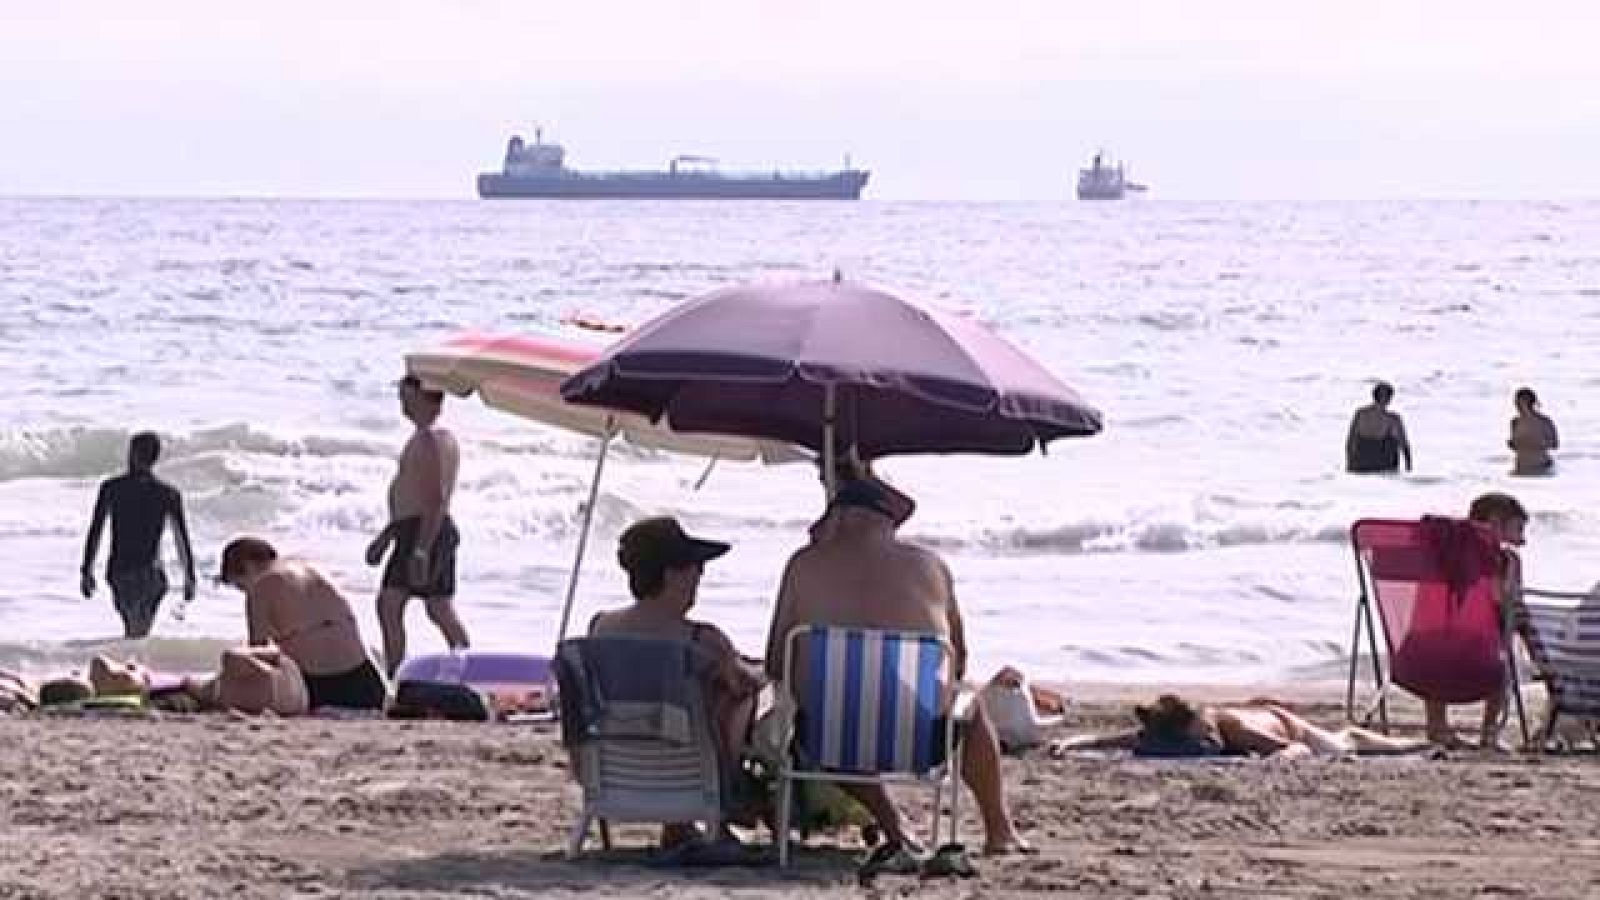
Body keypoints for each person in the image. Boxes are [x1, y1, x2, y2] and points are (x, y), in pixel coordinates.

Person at [766, 478, 1031, 861]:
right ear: (888, 524)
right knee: (971, 709)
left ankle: (895, 826)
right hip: (921, 739)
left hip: (826, 739)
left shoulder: (803, 564)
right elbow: (957, 659)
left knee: (832, 714)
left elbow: (777, 662)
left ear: (837, 518)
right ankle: (999, 830)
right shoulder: (930, 565)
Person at [588, 516, 765, 846]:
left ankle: (679, 826)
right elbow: (745, 683)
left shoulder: (601, 628)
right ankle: (723, 799)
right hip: (686, 776)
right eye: (694, 567)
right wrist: (762, 672)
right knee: (739, 695)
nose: (699, 575)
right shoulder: (703, 640)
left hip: (616, 773)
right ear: (670, 574)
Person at [368, 375, 469, 676]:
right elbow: (408, 494)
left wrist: (422, 549)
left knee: (392, 604)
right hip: (414, 530)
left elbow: (436, 498)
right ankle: (460, 662)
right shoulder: (428, 436)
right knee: (435, 606)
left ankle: (399, 673)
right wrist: (387, 536)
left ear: (427, 400)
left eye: (407, 400)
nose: (402, 407)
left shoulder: (432, 439)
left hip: (425, 531)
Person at [220, 536, 387, 711]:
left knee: (233, 668)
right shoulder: (312, 570)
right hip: (368, 684)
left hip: (320, 687)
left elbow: (257, 652)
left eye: (240, 586)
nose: (244, 592)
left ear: (248, 565)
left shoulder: (261, 587)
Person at [1420, 492, 1527, 749]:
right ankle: (1489, 732)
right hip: (1482, 657)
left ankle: (1438, 726)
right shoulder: (1505, 561)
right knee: (1504, 653)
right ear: (1496, 522)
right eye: (1519, 528)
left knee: (1438, 642)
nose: (1523, 539)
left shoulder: (1439, 555)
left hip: (1421, 656)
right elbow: (1505, 604)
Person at [1053, 694, 1432, 759]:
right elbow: (1115, 739)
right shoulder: (1171, 726)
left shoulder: (1229, 727)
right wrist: (1074, 742)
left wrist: (1283, 759)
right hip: (1264, 712)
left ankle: (1415, 743)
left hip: (1289, 726)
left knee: (1343, 741)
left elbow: (1291, 748)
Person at [79, 432, 197, 638]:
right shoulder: (167, 493)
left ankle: (132, 664)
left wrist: (87, 570)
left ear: (132, 454)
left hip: (120, 572)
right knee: (139, 631)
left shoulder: (112, 488)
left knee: (133, 630)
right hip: (151, 573)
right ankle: (137, 663)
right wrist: (189, 576)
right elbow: (181, 538)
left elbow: (96, 530)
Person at [1345, 382, 1412, 473]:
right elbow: (1403, 443)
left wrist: (1350, 462)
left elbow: (1350, 441)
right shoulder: (1392, 419)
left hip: (1361, 461)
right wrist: (1408, 465)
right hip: (1381, 463)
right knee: (1392, 438)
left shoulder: (1361, 413)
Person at [1508, 387, 1558, 476]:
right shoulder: (1515, 422)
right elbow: (1515, 446)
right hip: (1520, 469)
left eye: (1518, 402)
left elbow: (1554, 444)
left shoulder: (1544, 421)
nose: (1516, 405)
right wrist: (1512, 444)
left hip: (1542, 467)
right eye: (1516, 402)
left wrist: (1536, 442)